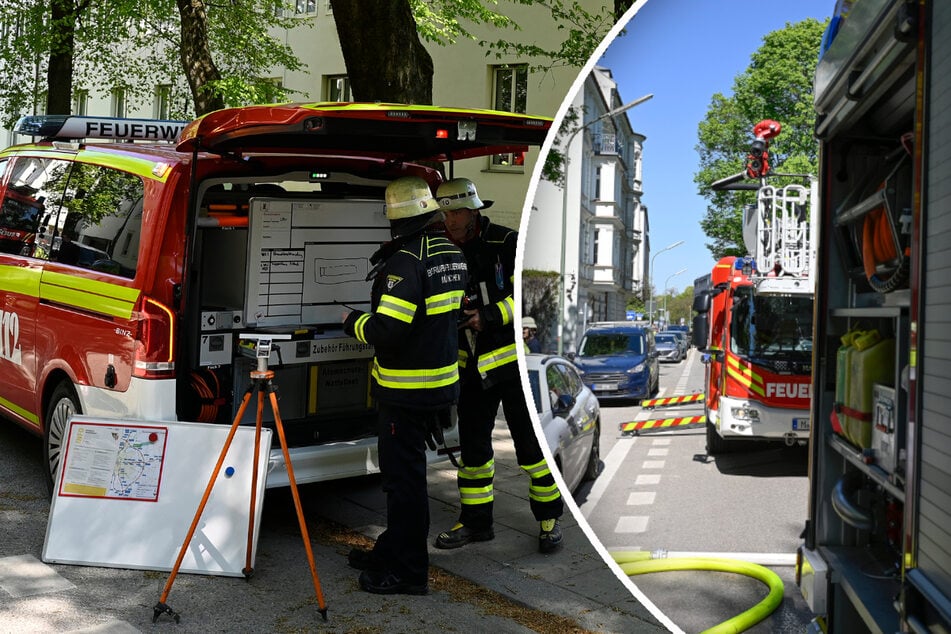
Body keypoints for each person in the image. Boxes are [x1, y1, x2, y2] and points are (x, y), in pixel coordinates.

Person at [342, 176, 468, 595]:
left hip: (405, 392)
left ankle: (409, 573)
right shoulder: (450, 251)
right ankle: (390, 550)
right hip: (439, 386)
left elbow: (386, 330)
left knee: (405, 486)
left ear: (395, 218)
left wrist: (350, 322)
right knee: (404, 480)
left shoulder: (406, 261)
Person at [433, 177, 564, 554]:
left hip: (509, 368)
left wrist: (487, 317)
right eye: (444, 213)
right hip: (469, 369)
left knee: (531, 452)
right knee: (473, 455)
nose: (450, 221)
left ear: (474, 212)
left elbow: (526, 302)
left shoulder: (505, 243)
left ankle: (549, 519)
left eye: (456, 212)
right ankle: (476, 523)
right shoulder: (443, 247)